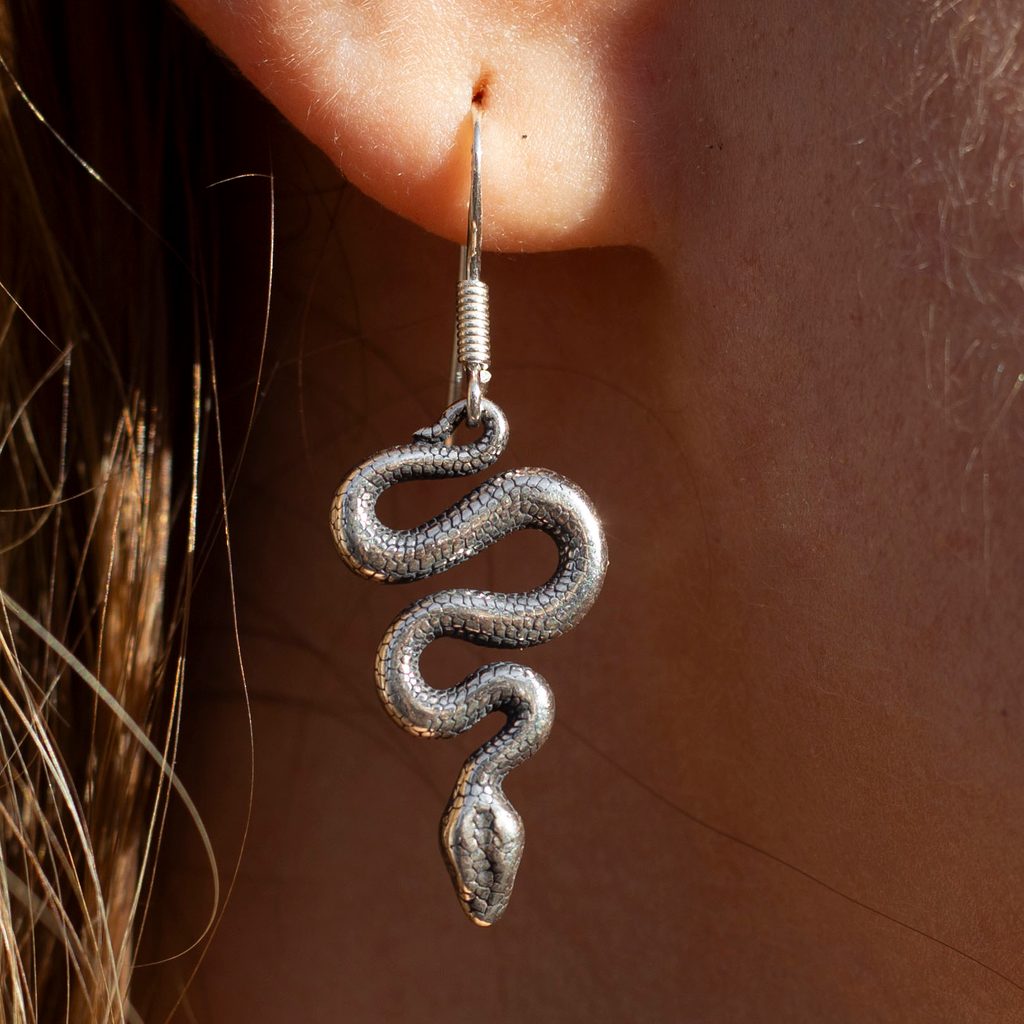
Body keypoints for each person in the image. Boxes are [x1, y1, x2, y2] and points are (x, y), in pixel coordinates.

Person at [2, 1, 1022, 1020]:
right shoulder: (493, 683)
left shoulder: (483, 683)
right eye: (485, 860)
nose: (482, 875)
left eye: (477, 858)